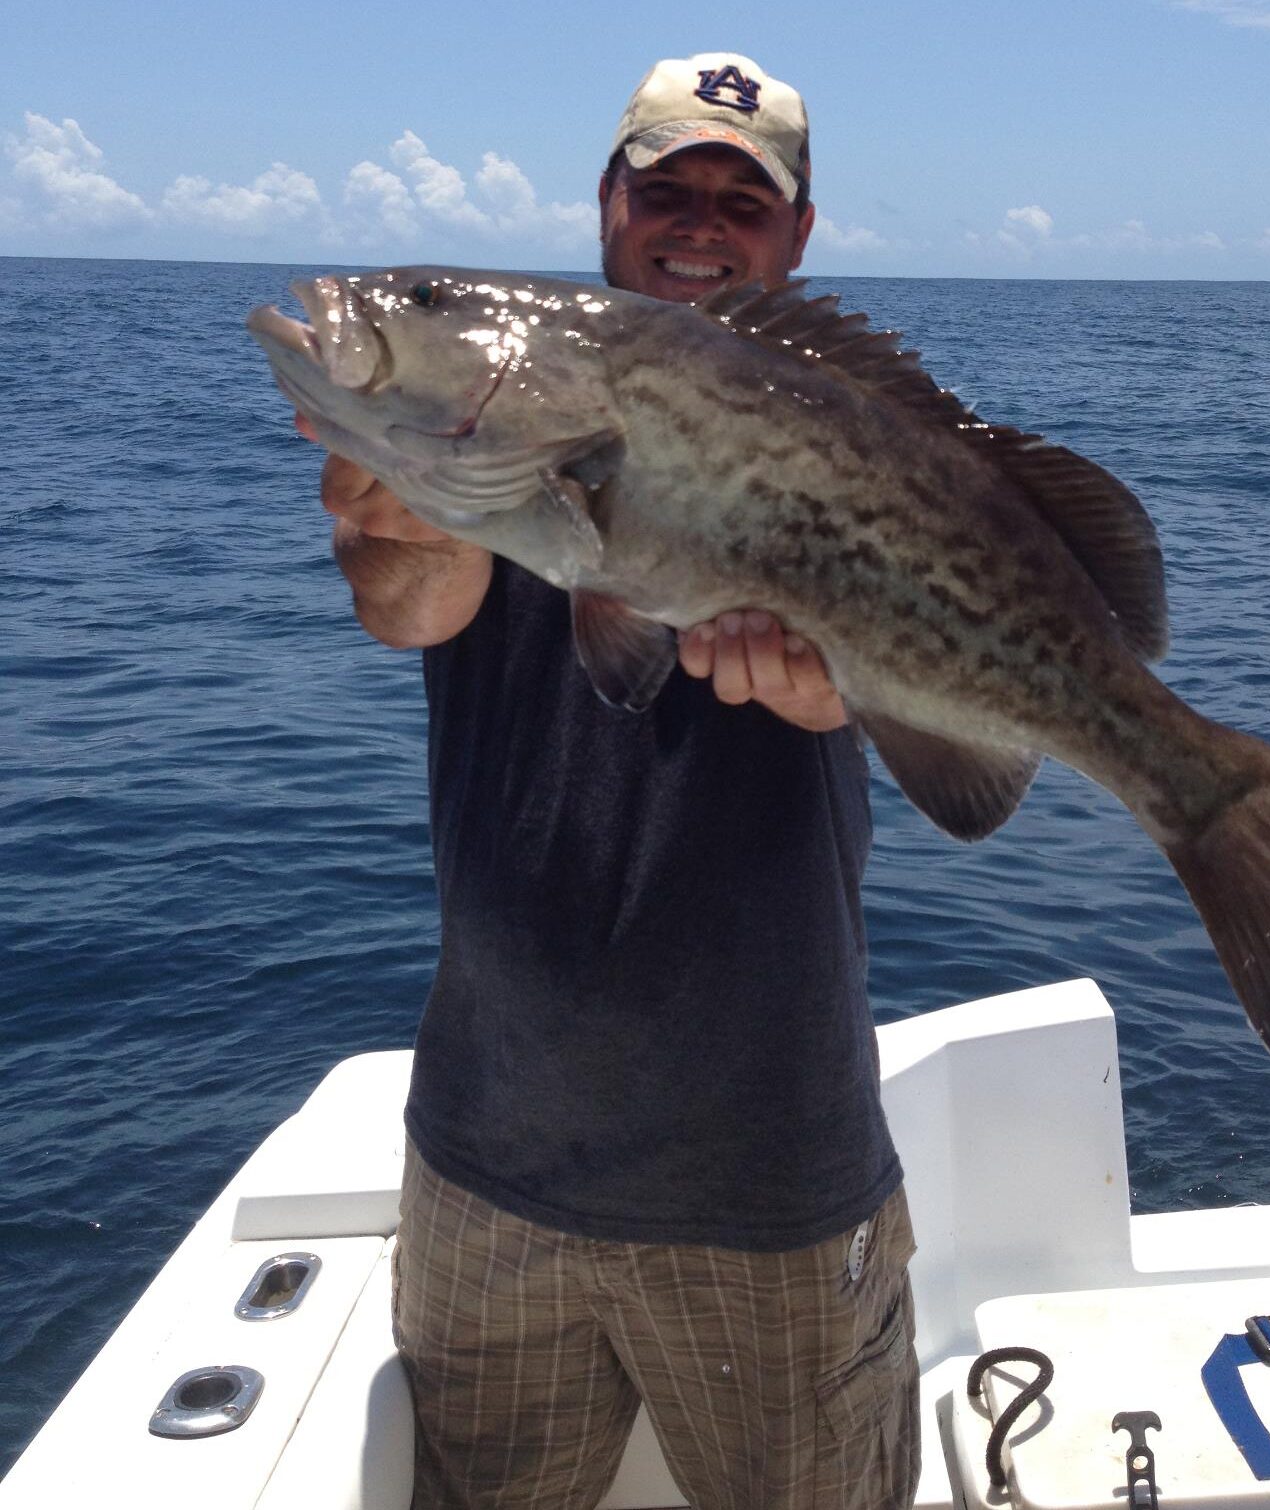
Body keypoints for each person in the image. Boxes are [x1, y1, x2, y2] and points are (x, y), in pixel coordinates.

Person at [302, 53, 919, 1510]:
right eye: (666, 187)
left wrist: (860, 677)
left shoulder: (853, 436)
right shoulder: (496, 426)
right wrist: (386, 518)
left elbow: (923, 699)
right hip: (488, 1173)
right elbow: (412, 600)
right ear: (606, 202)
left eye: (740, 200)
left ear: (798, 238)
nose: (699, 221)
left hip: (773, 1180)